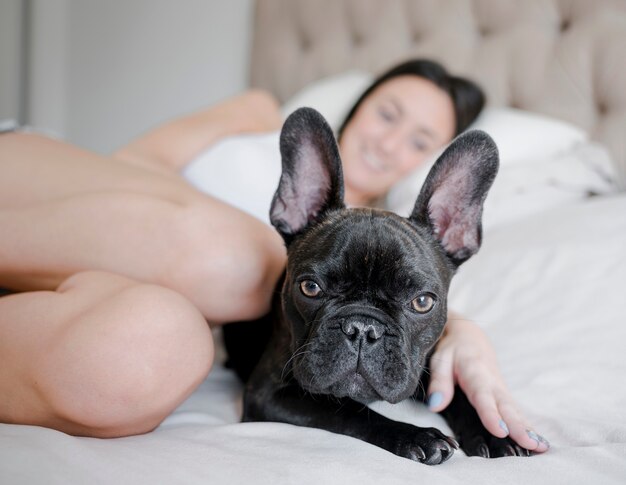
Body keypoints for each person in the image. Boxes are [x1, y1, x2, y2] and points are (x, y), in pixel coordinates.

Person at [0, 59, 548, 452]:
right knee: (235, 264)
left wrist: (462, 332)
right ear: (358, 104)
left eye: (419, 141)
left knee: (144, 358)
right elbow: (129, 163)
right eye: (388, 114)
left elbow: (402, 301)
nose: (389, 143)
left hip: (97, 296)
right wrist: (206, 225)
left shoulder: (397, 243)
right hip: (46, 200)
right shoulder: (262, 115)